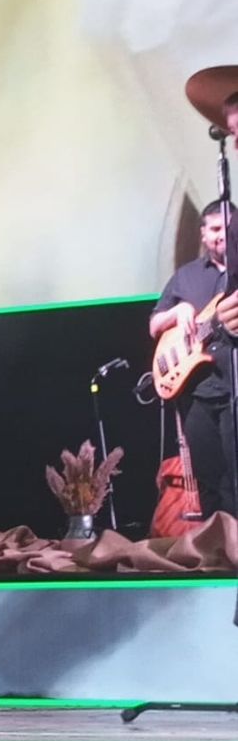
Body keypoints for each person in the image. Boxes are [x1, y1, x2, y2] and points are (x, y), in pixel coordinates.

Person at [149, 199, 236, 516]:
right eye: (213, 229)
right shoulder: (185, 277)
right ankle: (217, 553)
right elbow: (154, 324)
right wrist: (178, 310)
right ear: (202, 234)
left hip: (234, 391)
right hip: (197, 393)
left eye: (227, 229)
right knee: (209, 479)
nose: (220, 236)